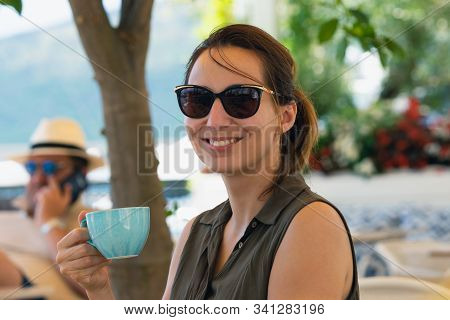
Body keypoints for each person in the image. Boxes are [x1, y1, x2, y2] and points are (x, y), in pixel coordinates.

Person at [56, 24, 359, 299]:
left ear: (285, 116)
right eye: (197, 99)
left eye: (241, 98)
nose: (214, 120)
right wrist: (97, 287)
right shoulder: (195, 232)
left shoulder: (311, 227)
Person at [7, 118, 103, 294]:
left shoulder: (98, 224)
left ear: (80, 175)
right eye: (32, 168)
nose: (38, 178)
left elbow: (98, 288)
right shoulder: (6, 213)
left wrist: (48, 221)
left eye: (51, 168)